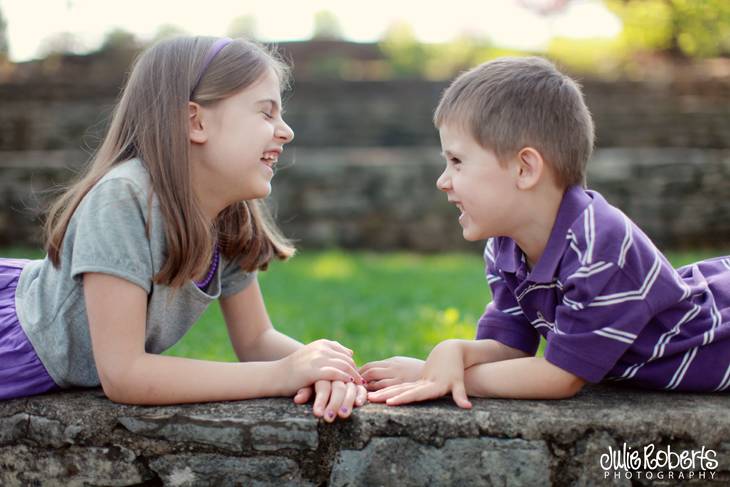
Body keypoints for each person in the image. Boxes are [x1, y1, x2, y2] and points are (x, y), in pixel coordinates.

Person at [0, 36, 366, 422]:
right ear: (196, 121)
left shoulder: (228, 214)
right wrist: (281, 374)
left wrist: (328, 370)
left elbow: (256, 340)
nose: (285, 131)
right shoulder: (123, 198)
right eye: (265, 113)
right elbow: (124, 375)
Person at [363, 56, 730, 407]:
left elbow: (562, 376)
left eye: (457, 161)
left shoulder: (599, 243)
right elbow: (509, 345)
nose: (442, 181)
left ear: (525, 168)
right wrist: (452, 353)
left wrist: (448, 379)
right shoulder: (505, 247)